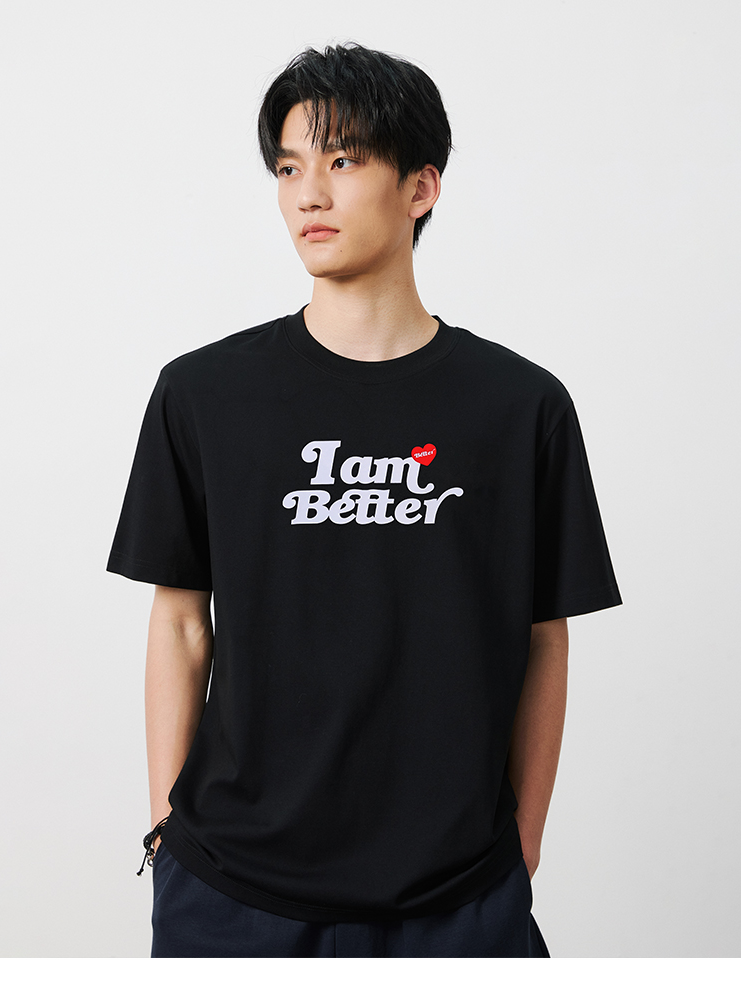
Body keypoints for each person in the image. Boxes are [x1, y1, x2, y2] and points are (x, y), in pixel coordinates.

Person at [107, 42, 622, 958]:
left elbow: (544, 637)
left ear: (421, 187)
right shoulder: (203, 395)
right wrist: (165, 831)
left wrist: (522, 846)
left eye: (342, 161)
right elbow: (181, 622)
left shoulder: (521, 407)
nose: (309, 194)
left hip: (457, 895)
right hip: (230, 890)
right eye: (288, 168)